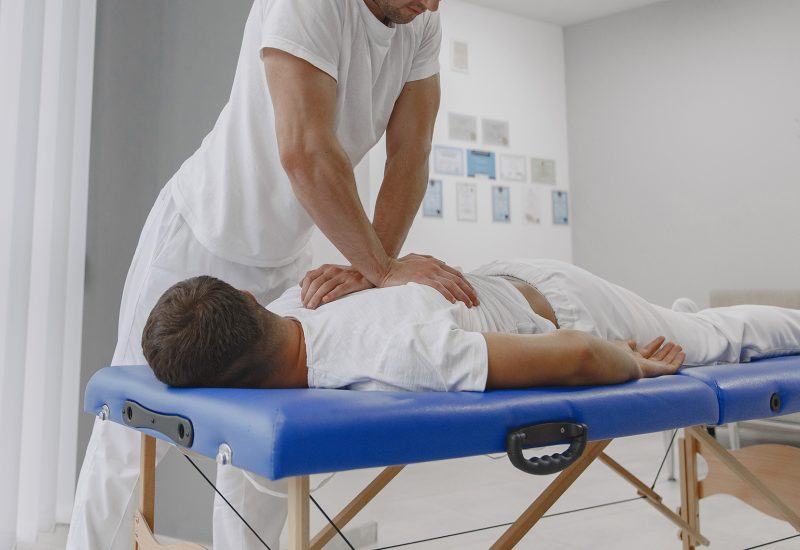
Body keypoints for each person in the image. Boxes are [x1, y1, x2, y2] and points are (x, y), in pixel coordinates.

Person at [67, 1, 478, 549]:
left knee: (263, 444)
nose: (429, 4)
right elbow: (305, 151)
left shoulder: (421, 23)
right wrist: (379, 268)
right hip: (201, 236)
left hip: (286, 260)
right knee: (131, 432)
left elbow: (412, 152)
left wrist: (369, 267)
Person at [142, 259, 800, 392]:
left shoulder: (397, 352)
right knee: (679, 323)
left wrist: (636, 365)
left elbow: (577, 357)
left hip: (563, 304)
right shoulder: (291, 303)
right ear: (254, 301)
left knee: (716, 341)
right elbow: (575, 358)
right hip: (503, 291)